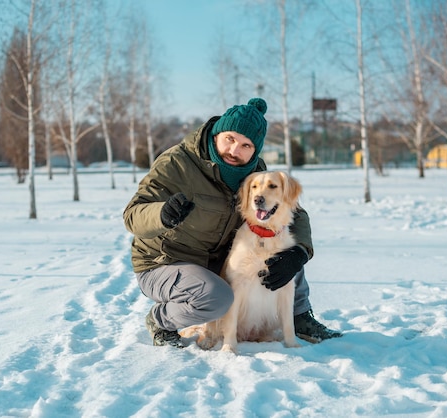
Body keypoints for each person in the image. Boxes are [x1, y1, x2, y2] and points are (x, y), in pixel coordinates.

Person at [123, 98, 342, 348]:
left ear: (255, 150)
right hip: (165, 262)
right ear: (217, 133)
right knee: (216, 298)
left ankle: (299, 316)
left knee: (285, 246)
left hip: (216, 261)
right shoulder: (177, 163)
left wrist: (301, 251)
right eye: (230, 139)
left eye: (246, 145)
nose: (235, 151)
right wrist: (162, 213)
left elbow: (293, 212)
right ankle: (161, 320)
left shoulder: (254, 171)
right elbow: (133, 215)